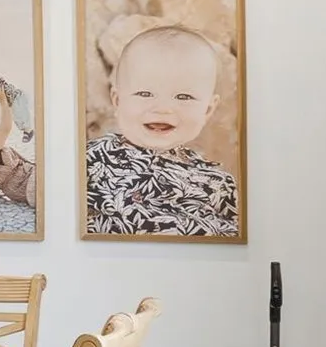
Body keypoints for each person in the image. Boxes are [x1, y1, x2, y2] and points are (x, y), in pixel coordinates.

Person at [85, 24, 238, 237]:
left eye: (184, 97)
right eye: (145, 94)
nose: (163, 108)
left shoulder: (219, 182)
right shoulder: (90, 160)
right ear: (117, 101)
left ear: (208, 110)